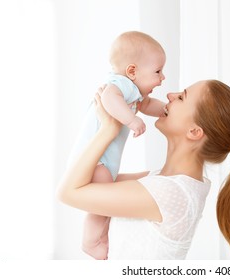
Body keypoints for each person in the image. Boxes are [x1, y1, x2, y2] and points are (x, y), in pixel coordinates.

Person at [58, 79, 230, 260]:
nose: (170, 95)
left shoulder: (170, 193)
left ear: (194, 131)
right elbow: (87, 183)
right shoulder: (162, 182)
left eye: (182, 97)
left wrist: (108, 130)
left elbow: (69, 192)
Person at [67, 31, 166, 259]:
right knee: (101, 202)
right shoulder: (120, 85)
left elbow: (148, 104)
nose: (162, 78)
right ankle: (90, 242)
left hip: (103, 160)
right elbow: (109, 98)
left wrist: (165, 110)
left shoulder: (134, 92)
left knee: (104, 201)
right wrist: (131, 120)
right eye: (158, 71)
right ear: (132, 71)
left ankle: (99, 237)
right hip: (96, 159)